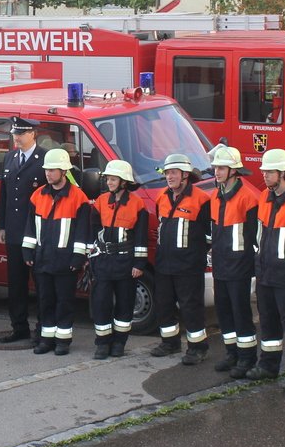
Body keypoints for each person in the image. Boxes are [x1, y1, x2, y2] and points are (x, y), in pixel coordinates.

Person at [22, 148, 90, 356]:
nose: (48, 174)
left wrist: (78, 257)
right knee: (45, 302)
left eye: (52, 170)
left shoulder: (78, 198)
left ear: (64, 171)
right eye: (47, 170)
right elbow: (30, 227)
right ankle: (46, 339)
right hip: (42, 259)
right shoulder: (37, 195)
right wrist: (27, 251)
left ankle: (63, 341)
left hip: (65, 262)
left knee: (64, 303)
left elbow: (83, 232)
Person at [148, 154, 213, 364]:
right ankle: (170, 343)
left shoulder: (201, 199)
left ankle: (197, 348)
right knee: (164, 304)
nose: (169, 177)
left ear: (185, 175)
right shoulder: (161, 197)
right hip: (164, 264)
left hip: (189, 266)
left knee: (191, 307)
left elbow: (209, 235)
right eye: (167, 173)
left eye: (173, 173)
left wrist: (196, 257)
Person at [251, 148, 285, 384]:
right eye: (264, 171)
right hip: (265, 273)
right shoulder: (264, 197)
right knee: (268, 322)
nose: (264, 175)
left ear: (283, 173)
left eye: (270, 172)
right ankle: (268, 365)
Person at [207, 144, 261, 377]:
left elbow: (254, 236)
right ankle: (232, 353)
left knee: (240, 312)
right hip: (220, 264)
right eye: (216, 168)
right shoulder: (215, 196)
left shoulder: (248, 198)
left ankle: (247, 357)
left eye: (222, 168)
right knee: (224, 311)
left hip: (239, 266)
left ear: (233, 171)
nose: (217, 172)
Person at [90, 160, 148, 359]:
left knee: (125, 304)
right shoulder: (101, 201)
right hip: (104, 261)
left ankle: (119, 344)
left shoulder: (137, 204)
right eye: (108, 179)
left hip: (126, 262)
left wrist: (139, 264)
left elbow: (141, 237)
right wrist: (93, 256)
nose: (109, 182)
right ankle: (102, 344)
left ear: (124, 182)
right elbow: (93, 229)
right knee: (101, 303)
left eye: (113, 179)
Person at [0, 116, 46, 343]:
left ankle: (43, 329)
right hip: (15, 232)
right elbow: (5, 195)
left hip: (37, 231)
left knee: (41, 284)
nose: (16, 138)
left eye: (21, 133)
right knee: (16, 284)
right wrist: (2, 225)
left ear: (32, 134)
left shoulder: (44, 158)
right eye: (15, 133)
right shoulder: (10, 157)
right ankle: (19, 328)